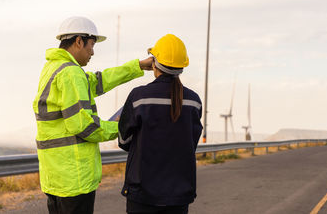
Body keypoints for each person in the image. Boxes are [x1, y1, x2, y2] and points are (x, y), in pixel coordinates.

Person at [33, 16, 152, 214]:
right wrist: (122, 126)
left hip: (56, 176)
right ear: (79, 41)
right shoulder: (70, 73)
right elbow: (83, 126)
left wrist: (137, 66)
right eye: (91, 45)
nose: (93, 52)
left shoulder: (53, 68)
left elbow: (99, 81)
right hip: (74, 178)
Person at [118, 34, 203, 214]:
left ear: (154, 63)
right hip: (179, 194)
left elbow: (124, 142)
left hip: (142, 194)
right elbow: (190, 144)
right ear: (182, 66)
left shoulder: (139, 97)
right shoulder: (194, 102)